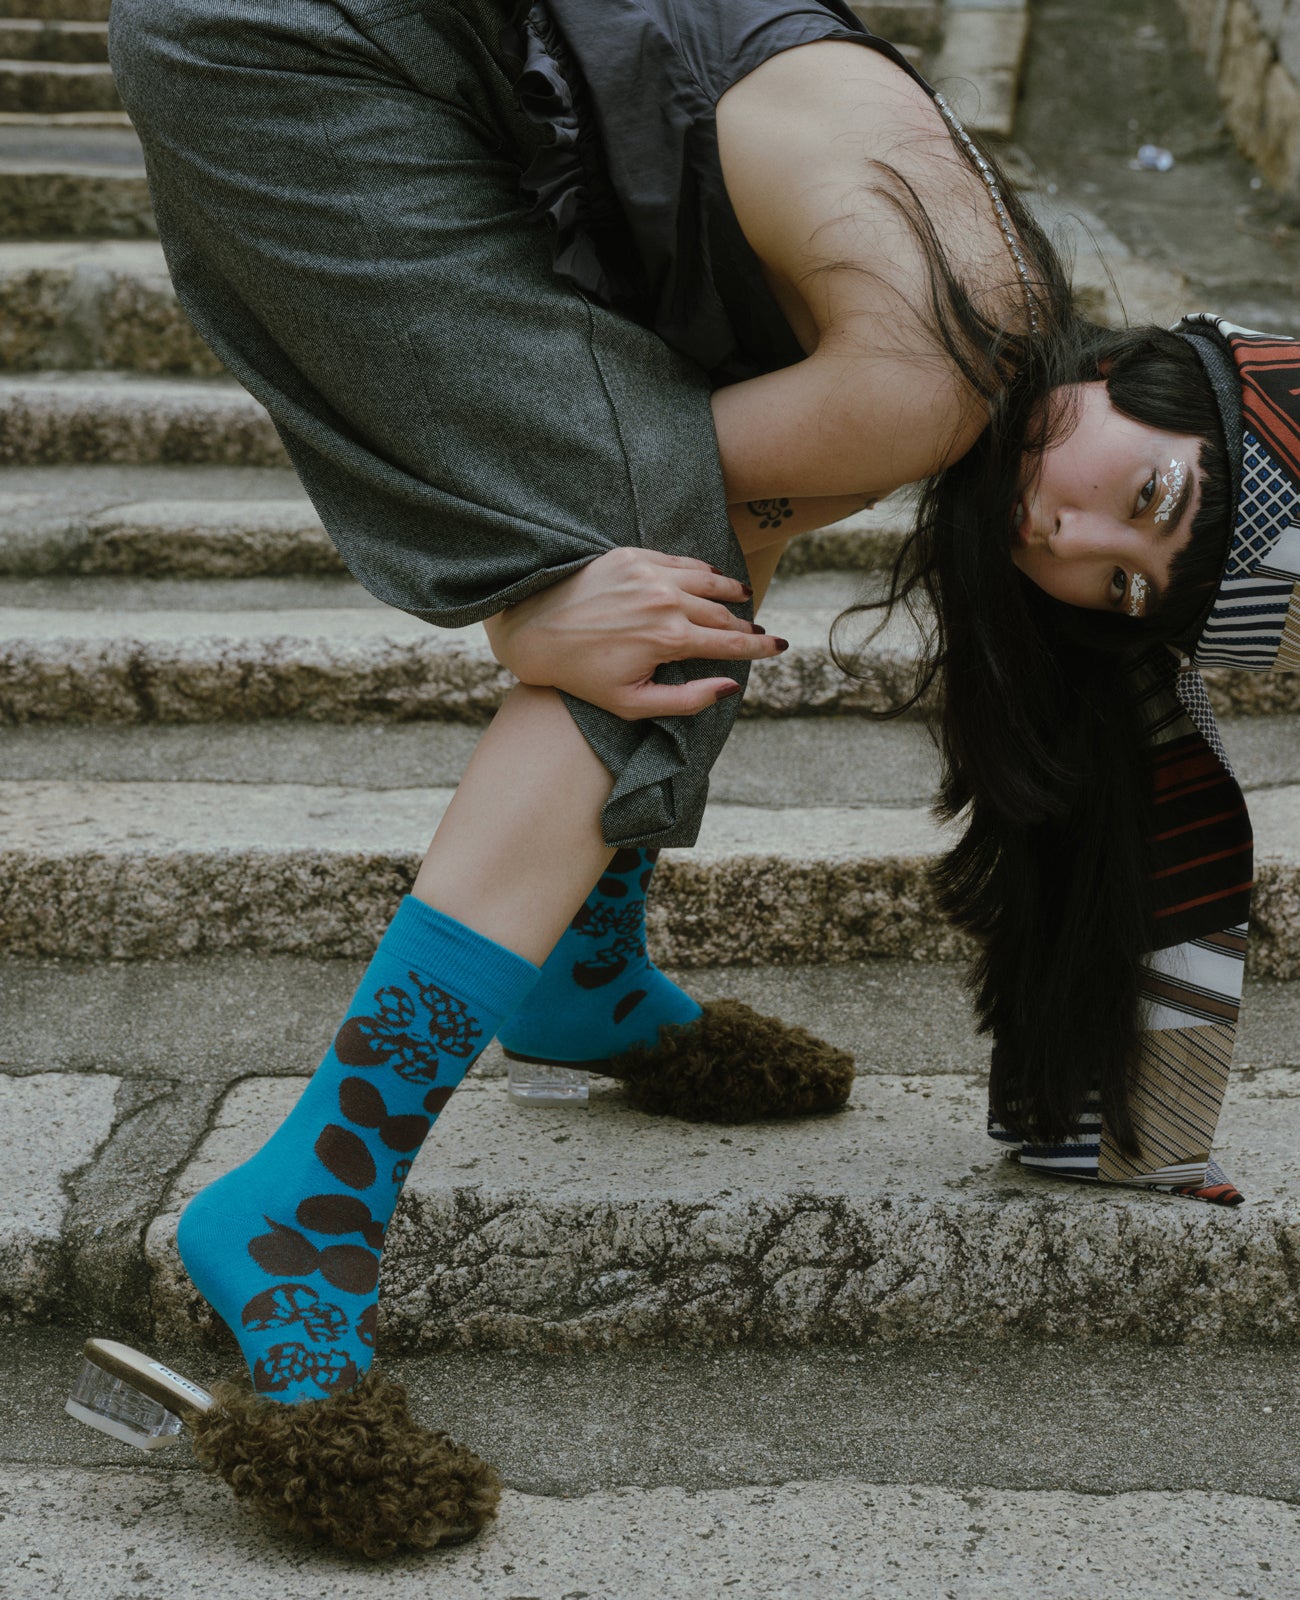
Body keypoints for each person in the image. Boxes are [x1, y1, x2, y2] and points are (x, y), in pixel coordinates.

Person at [83, 0, 1291, 1560]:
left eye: (1135, 586)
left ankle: (579, 973)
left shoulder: (959, 357)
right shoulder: (946, 354)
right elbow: (624, 527)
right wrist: (532, 603)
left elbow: (721, 516)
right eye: (1145, 495)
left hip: (424, 66)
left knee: (683, 554)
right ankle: (308, 1212)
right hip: (304, 38)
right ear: (1158, 374)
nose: (1076, 544)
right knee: (653, 578)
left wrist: (1150, 1116)